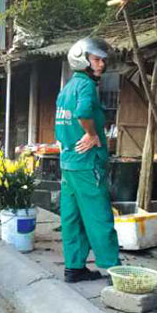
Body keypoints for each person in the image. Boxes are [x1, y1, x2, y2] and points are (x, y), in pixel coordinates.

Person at [55, 37, 121, 283]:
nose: (101, 64)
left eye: (103, 60)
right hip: (86, 164)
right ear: (82, 60)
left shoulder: (67, 88)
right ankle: (115, 270)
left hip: (69, 163)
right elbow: (83, 113)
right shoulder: (84, 87)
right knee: (99, 216)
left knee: (72, 218)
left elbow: (61, 127)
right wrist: (92, 135)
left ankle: (74, 267)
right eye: (96, 59)